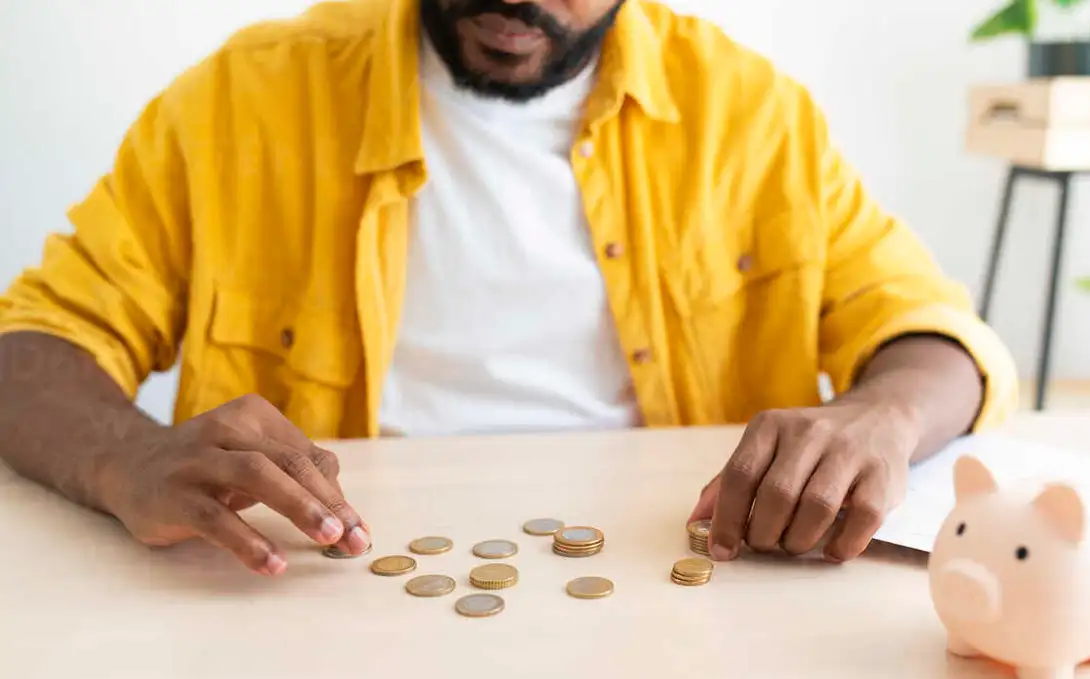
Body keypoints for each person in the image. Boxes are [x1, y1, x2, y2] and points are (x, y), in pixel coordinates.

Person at [0, 0, 1019, 577]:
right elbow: (29, 345)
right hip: (318, 595)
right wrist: (125, 454)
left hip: (674, 592)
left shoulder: (750, 115)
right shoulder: (243, 99)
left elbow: (935, 339)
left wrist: (878, 417)